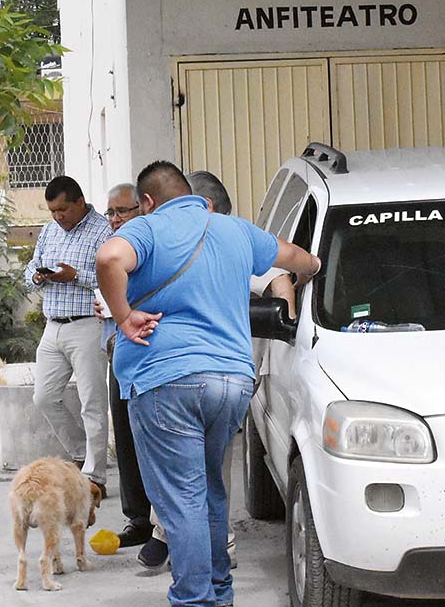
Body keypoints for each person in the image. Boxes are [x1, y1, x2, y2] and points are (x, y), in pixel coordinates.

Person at [96, 161, 320, 607]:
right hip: (231, 383)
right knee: (210, 491)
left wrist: (123, 316)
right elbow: (302, 259)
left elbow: (108, 259)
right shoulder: (236, 230)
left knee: (182, 501)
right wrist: (304, 276)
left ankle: (194, 599)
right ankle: (219, 592)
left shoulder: (148, 229)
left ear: (147, 201)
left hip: (167, 381)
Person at [135, 170, 244, 570]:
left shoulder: (230, 237)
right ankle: (199, 564)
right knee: (191, 478)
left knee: (198, 481)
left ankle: (200, 575)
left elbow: (278, 277)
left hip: (204, 377)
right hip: (204, 378)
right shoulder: (169, 241)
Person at [24, 175, 114, 497]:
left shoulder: (103, 231)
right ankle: (80, 452)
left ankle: (95, 476)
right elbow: (31, 267)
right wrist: (37, 276)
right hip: (53, 325)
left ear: (80, 202)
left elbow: (112, 277)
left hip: (88, 324)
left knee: (92, 402)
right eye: (52, 211)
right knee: (44, 397)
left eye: (63, 209)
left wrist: (76, 276)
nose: (58, 216)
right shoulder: (49, 231)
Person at [101, 181, 154, 548]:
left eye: (122, 211)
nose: (115, 218)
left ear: (143, 207)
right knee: (124, 436)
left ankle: (163, 524)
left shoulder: (153, 243)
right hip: (120, 350)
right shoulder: (113, 246)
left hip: (152, 352)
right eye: (111, 212)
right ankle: (138, 518)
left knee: (154, 439)